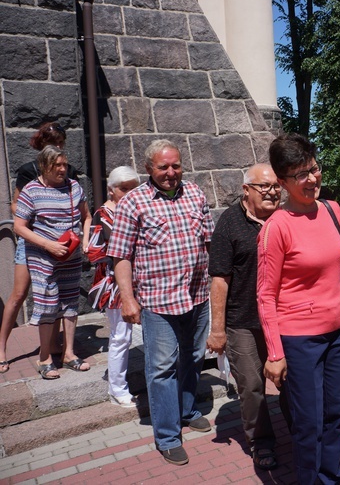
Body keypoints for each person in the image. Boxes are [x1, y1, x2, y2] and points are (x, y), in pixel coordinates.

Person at [257, 133, 340, 485]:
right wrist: (275, 353)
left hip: (339, 330)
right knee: (308, 422)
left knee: (338, 413)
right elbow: (265, 295)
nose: (312, 179)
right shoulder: (275, 228)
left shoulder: (331, 210)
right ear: (282, 182)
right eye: (301, 175)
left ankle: (330, 476)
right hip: (300, 339)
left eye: (314, 169)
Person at [108, 139, 215, 466]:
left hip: (197, 295)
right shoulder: (133, 203)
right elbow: (121, 255)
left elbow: (210, 243)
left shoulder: (195, 194)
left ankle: (185, 408)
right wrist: (128, 299)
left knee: (195, 356)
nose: (171, 173)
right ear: (148, 169)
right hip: (158, 302)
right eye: (163, 167)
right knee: (162, 368)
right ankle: (167, 435)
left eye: (176, 166)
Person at [207, 163, 283, 470]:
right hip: (243, 322)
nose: (271, 192)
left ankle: (302, 432)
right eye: (263, 186)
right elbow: (220, 279)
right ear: (246, 190)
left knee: (292, 380)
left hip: (282, 317)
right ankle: (261, 441)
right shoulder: (229, 223)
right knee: (252, 385)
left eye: (276, 186)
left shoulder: (285, 218)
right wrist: (218, 330)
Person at [0, 122, 78, 374]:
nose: (57, 148)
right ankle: (1, 348)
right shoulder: (28, 171)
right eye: (52, 143)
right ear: (43, 145)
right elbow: (15, 206)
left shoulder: (69, 171)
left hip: (60, 244)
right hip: (32, 241)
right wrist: (36, 215)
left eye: (60, 144)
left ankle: (56, 347)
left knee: (58, 296)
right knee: (18, 294)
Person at [13, 145, 92, 380]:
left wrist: (86, 240)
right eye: (57, 165)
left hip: (70, 254)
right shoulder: (31, 190)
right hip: (42, 256)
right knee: (47, 304)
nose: (63, 169)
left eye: (64, 164)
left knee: (69, 302)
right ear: (45, 166)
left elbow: (87, 216)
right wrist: (48, 245)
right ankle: (45, 358)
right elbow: (19, 227)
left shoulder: (73, 187)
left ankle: (68, 354)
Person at [87, 166, 141, 408]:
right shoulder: (103, 215)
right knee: (121, 336)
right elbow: (96, 252)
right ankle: (117, 388)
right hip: (115, 283)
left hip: (141, 279)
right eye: (124, 189)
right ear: (111, 190)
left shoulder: (138, 209)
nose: (129, 193)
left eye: (133, 188)